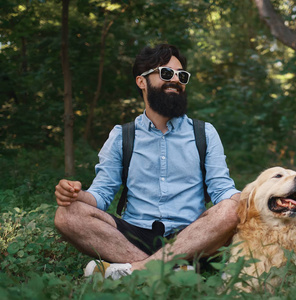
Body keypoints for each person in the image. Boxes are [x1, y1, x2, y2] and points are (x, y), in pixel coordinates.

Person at [54, 44, 240, 280]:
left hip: (192, 235)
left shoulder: (205, 133)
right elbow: (101, 194)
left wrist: (250, 198)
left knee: (232, 209)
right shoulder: (122, 136)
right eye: (165, 73)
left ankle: (137, 271)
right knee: (66, 215)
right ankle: (172, 269)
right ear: (141, 82)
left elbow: (222, 189)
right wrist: (73, 194)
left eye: (181, 75)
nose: (175, 80)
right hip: (135, 236)